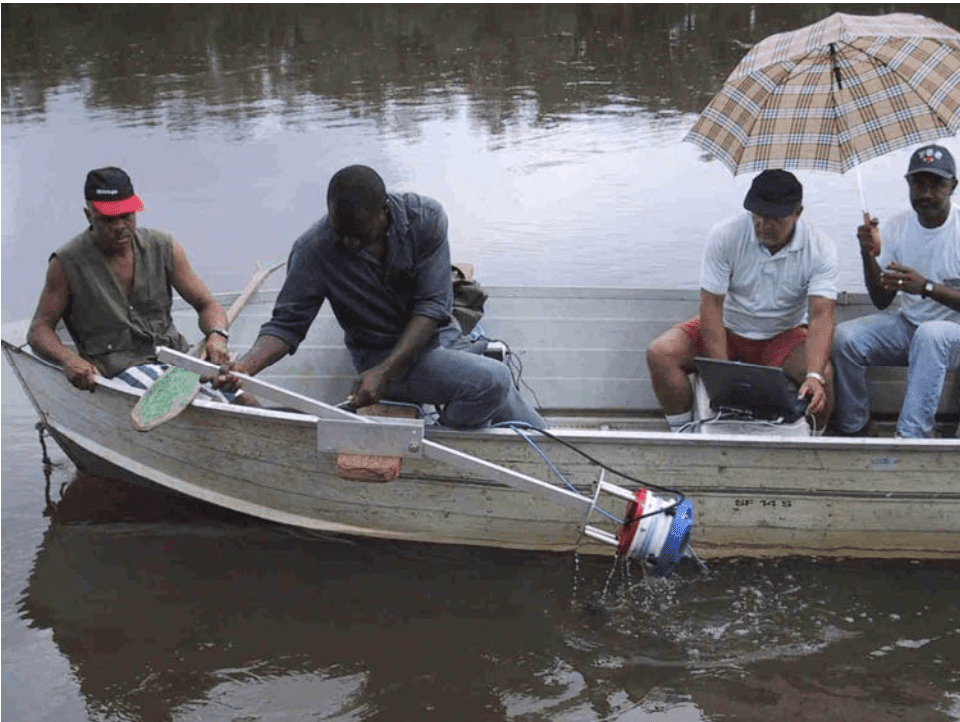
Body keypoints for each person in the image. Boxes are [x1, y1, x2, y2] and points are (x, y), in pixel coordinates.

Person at [219, 164, 546, 429]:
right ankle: (443, 443)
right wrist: (246, 368)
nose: (349, 244)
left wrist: (385, 373)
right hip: (378, 355)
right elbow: (286, 327)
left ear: (385, 212)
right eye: (341, 234)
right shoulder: (313, 250)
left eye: (360, 236)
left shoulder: (425, 219)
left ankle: (479, 434)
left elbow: (433, 307)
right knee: (494, 380)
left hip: (434, 339)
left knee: (532, 424)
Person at [646, 169, 840, 432]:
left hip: (783, 335)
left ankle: (814, 443)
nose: (763, 224)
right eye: (757, 214)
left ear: (798, 213)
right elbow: (711, 305)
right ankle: (683, 433)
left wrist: (814, 375)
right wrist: (721, 373)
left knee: (825, 377)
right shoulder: (725, 234)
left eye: (775, 218)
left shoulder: (821, 247)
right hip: (728, 328)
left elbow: (821, 316)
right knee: (660, 354)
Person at [28, 166, 242, 403]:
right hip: (119, 368)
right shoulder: (66, 262)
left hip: (176, 358)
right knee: (195, 403)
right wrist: (69, 359)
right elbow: (39, 329)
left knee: (241, 396)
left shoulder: (163, 246)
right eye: (109, 219)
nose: (120, 226)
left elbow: (207, 304)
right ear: (89, 215)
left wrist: (217, 335)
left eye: (127, 216)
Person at [831, 145, 960, 439]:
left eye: (936, 184)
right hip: (910, 326)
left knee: (931, 335)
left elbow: (923, 293)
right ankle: (855, 427)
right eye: (918, 184)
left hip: (952, 334)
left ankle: (912, 437)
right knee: (844, 339)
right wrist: (867, 255)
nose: (925, 193)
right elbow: (881, 300)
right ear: (908, 185)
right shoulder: (898, 226)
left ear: (953, 186)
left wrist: (926, 288)